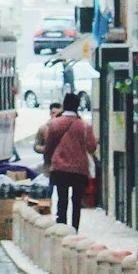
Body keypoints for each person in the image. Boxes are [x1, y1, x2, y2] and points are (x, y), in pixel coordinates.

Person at [41, 92, 97, 228]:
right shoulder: (85, 126)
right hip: (79, 169)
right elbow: (91, 147)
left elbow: (48, 147)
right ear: (78, 106)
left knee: (62, 200)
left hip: (60, 168)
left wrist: (48, 163)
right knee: (76, 202)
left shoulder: (54, 124)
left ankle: (62, 229)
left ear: (64, 105)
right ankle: (74, 230)